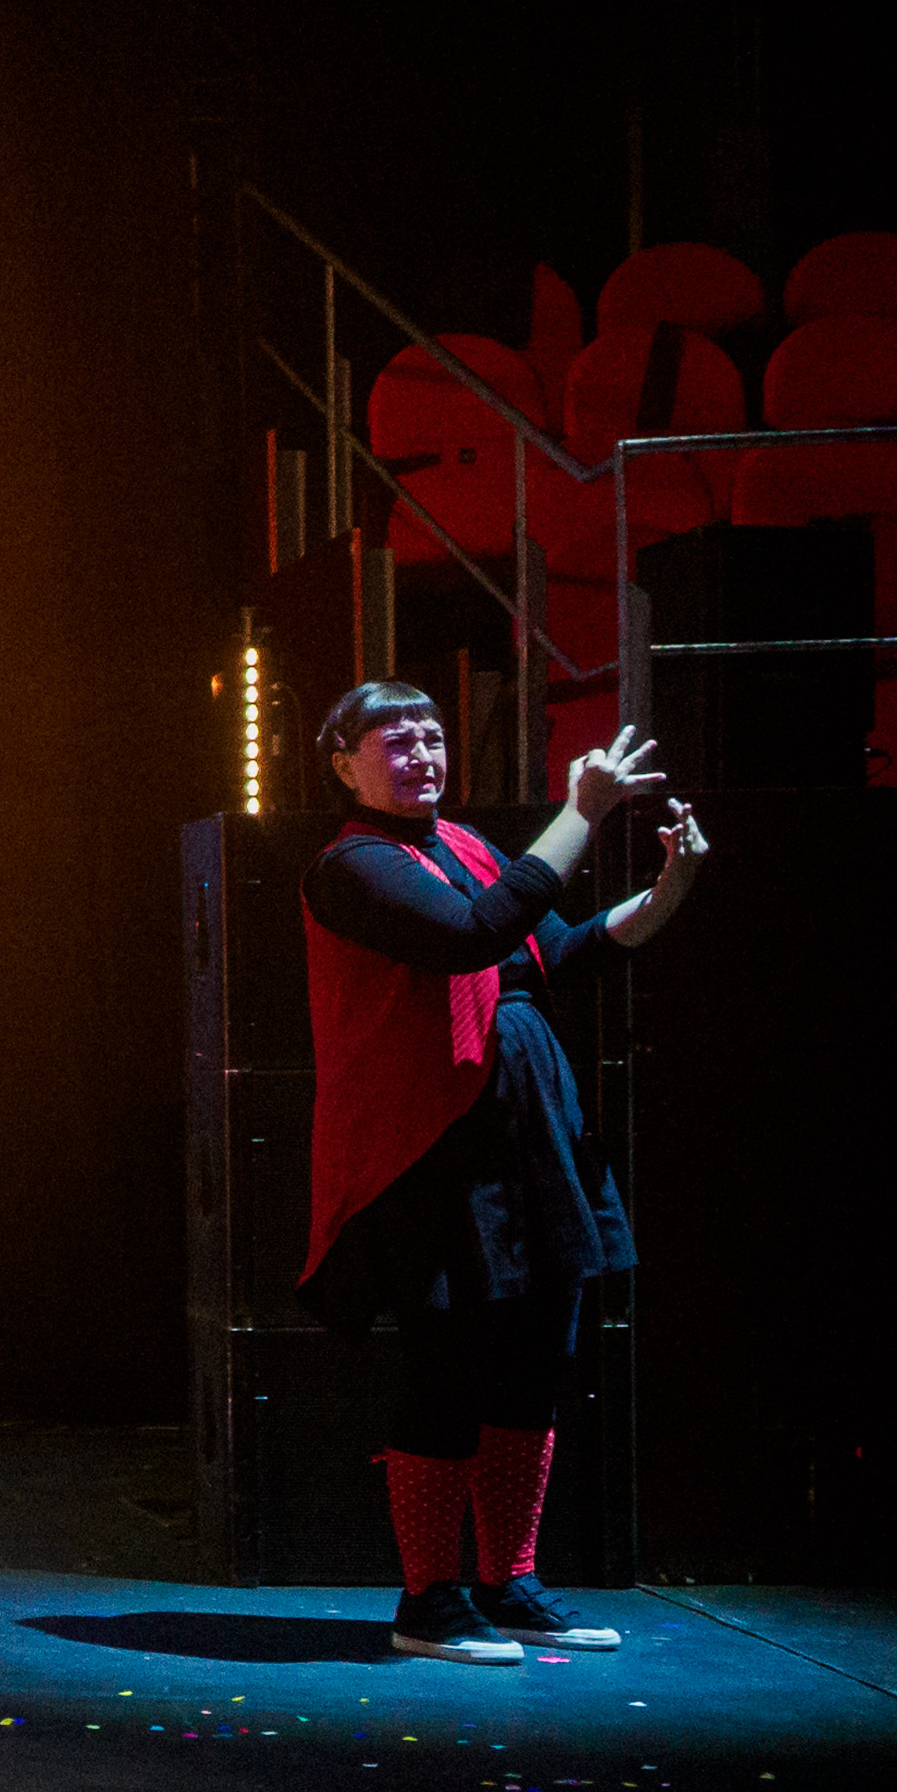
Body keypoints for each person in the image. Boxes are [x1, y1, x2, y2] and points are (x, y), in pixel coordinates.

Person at [298, 683, 707, 1666]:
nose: (421, 754)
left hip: (527, 1122)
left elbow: (557, 949)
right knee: (448, 1361)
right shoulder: (352, 864)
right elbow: (470, 936)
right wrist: (580, 813)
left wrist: (669, 888)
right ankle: (427, 1599)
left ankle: (508, 1582)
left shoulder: (469, 845)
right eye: (394, 741)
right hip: (433, 1139)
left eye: (432, 736)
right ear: (345, 765)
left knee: (534, 1356)